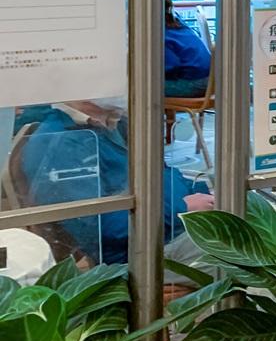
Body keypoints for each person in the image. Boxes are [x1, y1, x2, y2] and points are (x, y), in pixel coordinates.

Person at [15, 99, 212, 264]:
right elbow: (96, 228)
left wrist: (203, 195)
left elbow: (165, 175)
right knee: (226, 253)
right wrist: (181, 207)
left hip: (166, 229)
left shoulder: (116, 125)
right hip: (136, 257)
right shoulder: (61, 143)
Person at [164, 0, 212, 98]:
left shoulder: (163, 34)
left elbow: (171, 67)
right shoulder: (178, 23)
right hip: (210, 80)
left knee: (143, 86)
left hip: (195, 84)